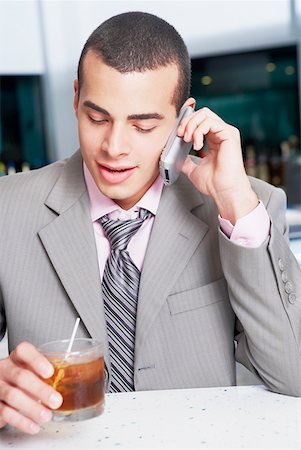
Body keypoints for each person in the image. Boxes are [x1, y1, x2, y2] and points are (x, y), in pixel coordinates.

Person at [0, 11, 301, 435]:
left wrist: (234, 203)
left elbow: (296, 375)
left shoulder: (245, 207)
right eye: (97, 118)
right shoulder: (7, 210)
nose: (114, 148)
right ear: (75, 99)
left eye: (143, 125)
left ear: (183, 119)